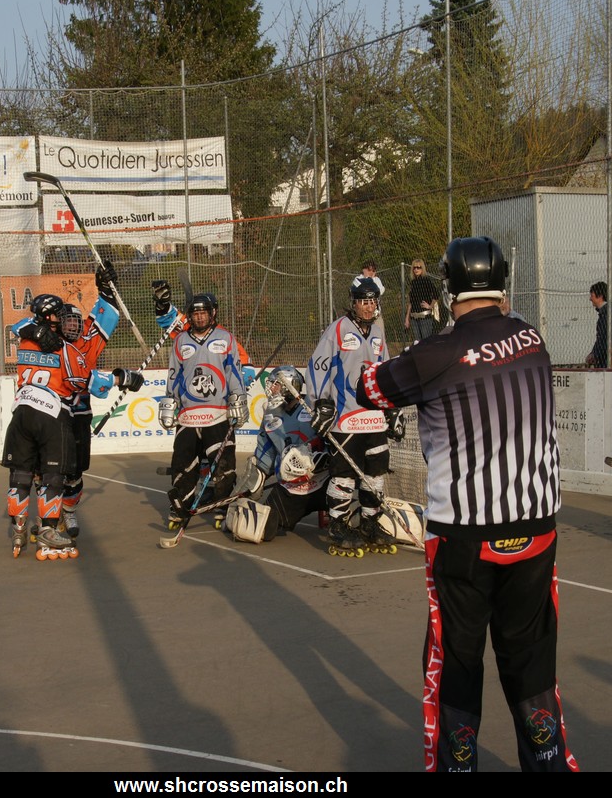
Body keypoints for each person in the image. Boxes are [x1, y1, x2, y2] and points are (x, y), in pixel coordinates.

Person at [354, 235, 577, 772]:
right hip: (536, 525)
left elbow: (370, 389)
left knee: (455, 660)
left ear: (449, 287)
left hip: (464, 535)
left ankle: (456, 766)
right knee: (531, 656)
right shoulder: (532, 337)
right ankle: (548, 762)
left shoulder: (437, 353)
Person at [3, 293, 140, 560]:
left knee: (20, 474)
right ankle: (48, 530)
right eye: (60, 316)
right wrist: (121, 378)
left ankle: (18, 528)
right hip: (51, 415)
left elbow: (19, 326)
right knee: (53, 475)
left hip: (20, 412)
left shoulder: (25, 341)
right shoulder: (64, 349)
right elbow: (86, 381)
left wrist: (35, 328)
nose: (65, 321)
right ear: (51, 318)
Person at [308, 277, 401, 557]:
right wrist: (321, 402)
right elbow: (318, 366)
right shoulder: (337, 329)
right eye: (363, 302)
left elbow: (385, 372)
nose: (369, 307)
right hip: (345, 416)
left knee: (376, 471)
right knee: (345, 474)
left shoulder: (378, 333)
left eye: (372, 301)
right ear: (354, 303)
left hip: (373, 418)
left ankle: (370, 521)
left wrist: (391, 407)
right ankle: (338, 523)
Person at [158, 292, 248, 531]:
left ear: (212, 313)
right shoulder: (180, 341)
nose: (199, 317)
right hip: (188, 416)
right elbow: (174, 375)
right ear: (190, 316)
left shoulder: (225, 338)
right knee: (183, 466)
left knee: (224, 466)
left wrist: (239, 399)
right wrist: (170, 401)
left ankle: (222, 506)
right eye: (195, 313)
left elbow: (234, 372)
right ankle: (182, 507)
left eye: (203, 313)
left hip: (218, 414)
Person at [228, 366, 329, 543]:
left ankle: (345, 517)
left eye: (276, 384)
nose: (271, 389)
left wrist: (320, 459)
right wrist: (243, 493)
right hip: (292, 488)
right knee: (260, 530)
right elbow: (264, 459)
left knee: (348, 496)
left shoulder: (314, 408)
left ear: (291, 386)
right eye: (271, 384)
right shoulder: (270, 415)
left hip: (324, 482)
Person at [405, 258, 447, 342]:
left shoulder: (426, 280)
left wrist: (430, 306)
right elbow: (411, 302)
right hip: (414, 318)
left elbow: (436, 294)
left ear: (422, 268)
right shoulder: (413, 282)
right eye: (414, 267)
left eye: (418, 267)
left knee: (426, 342)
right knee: (417, 342)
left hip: (424, 317)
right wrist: (407, 318)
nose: (416, 269)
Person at [584, 281, 612, 368]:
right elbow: (601, 338)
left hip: (607, 360)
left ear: (600, 296)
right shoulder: (605, 313)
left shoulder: (610, 313)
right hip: (604, 358)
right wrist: (594, 353)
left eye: (592, 295)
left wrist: (597, 354)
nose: (590, 299)